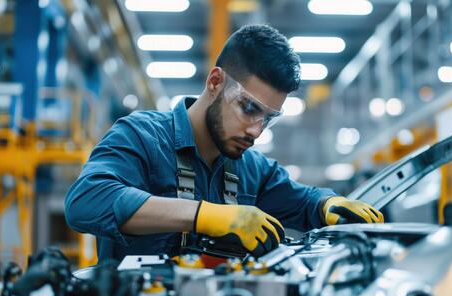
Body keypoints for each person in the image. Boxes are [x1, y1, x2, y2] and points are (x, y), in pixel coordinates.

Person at [64, 24, 384, 264]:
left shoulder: (251, 168)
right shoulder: (141, 137)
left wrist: (327, 205)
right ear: (215, 81)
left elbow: (305, 201)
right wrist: (206, 216)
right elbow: (86, 201)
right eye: (248, 108)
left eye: (268, 118)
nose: (256, 131)